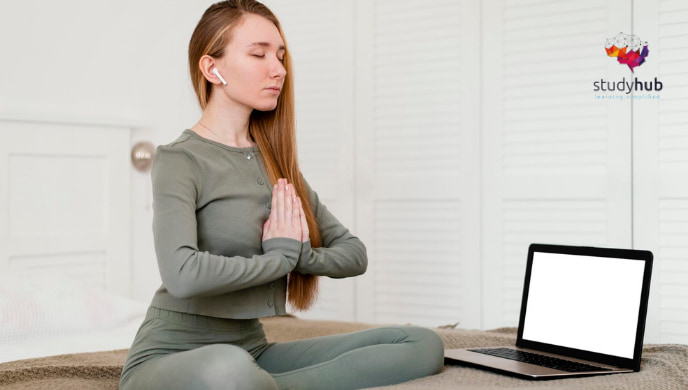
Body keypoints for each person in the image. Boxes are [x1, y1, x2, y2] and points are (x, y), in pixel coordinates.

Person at [119, 1, 444, 389]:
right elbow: (182, 275)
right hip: (172, 355)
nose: (279, 69)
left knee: (422, 344)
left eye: (280, 55)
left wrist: (297, 254)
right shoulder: (179, 159)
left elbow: (354, 254)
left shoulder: (276, 164)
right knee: (231, 370)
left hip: (251, 349)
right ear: (212, 68)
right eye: (258, 54)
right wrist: (279, 259)